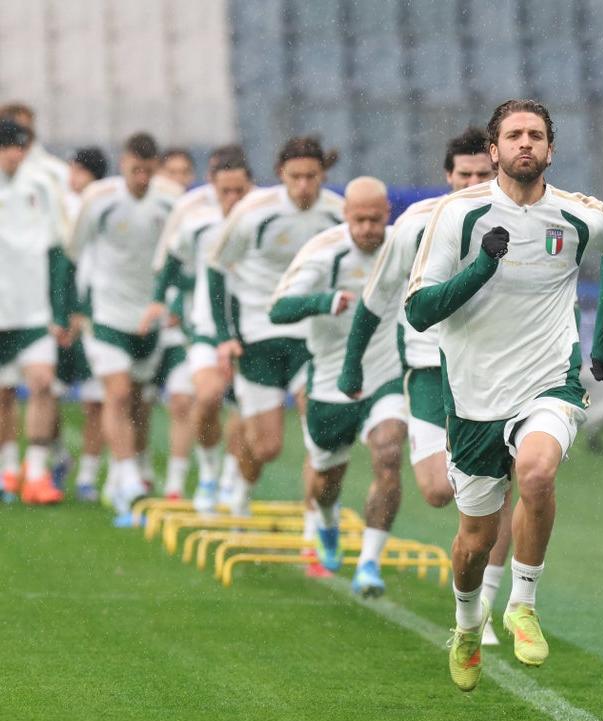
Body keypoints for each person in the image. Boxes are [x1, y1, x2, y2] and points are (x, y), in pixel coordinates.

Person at [405, 99, 603, 690]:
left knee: (535, 475)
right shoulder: (458, 215)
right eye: (513, 135)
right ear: (493, 150)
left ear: (550, 149)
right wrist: (482, 267)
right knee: (473, 542)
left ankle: (523, 604)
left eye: (535, 135)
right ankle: (464, 621)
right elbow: (420, 312)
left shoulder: (579, 215)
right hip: (476, 397)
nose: (524, 144)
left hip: (548, 382)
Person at [338, 128, 511, 642]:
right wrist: (352, 367)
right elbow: (375, 299)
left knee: (497, 488)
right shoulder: (416, 225)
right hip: (429, 367)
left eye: (485, 173)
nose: (476, 182)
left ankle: (485, 604)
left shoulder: (522, 223)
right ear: (448, 176)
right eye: (466, 174)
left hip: (494, 370)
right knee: (437, 490)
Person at [270, 176, 406, 595]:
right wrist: (321, 301)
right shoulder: (323, 254)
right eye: (359, 219)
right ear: (346, 216)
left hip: (384, 374)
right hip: (329, 384)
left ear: (388, 213)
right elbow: (278, 310)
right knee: (326, 483)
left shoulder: (404, 244)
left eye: (375, 219)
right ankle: (327, 524)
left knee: (388, 453)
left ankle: (369, 563)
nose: (367, 228)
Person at [209, 137, 344, 555]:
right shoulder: (254, 214)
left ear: (322, 176)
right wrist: (224, 334)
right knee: (266, 446)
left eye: (311, 177)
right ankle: (241, 493)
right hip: (259, 333)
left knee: (318, 431)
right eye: (295, 177)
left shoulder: (337, 214)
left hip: (312, 337)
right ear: (280, 176)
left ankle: (314, 523)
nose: (304, 186)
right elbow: (217, 270)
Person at [69, 132, 182, 523]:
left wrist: (171, 301)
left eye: (149, 172)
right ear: (123, 163)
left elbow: (180, 257)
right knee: (115, 394)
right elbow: (72, 251)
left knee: (138, 401)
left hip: (149, 317)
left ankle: (122, 475)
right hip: (106, 314)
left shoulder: (169, 201)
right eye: (136, 170)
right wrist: (72, 308)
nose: (142, 179)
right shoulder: (99, 199)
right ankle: (131, 481)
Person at [140, 146, 252, 510]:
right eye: (226, 191)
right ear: (213, 187)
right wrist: (162, 299)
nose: (233, 199)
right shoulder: (197, 221)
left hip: (254, 327)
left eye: (240, 191)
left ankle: (231, 479)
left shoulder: (262, 220)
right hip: (207, 324)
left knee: (245, 410)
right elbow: (172, 259)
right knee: (206, 398)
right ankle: (207, 471)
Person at [0, 119, 74, 504]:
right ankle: (7, 468)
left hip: (34, 310)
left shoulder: (42, 185)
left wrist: (61, 312)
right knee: (3, 394)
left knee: (43, 382)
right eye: (8, 146)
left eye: (20, 147)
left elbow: (59, 250)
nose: (15, 154)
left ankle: (38, 470)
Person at [55, 146, 110, 500]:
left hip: (93, 311)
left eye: (79, 172)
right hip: (60, 311)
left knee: (95, 401)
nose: (72, 179)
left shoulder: (102, 211)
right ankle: (58, 455)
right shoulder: (62, 207)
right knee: (50, 392)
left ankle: (88, 474)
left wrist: (83, 311)